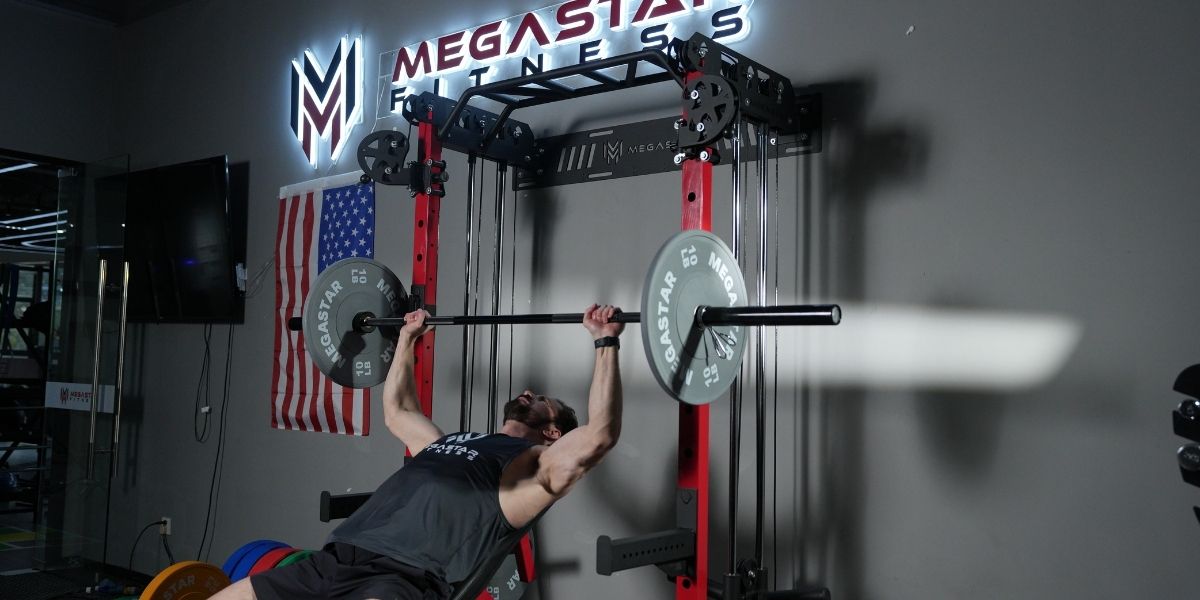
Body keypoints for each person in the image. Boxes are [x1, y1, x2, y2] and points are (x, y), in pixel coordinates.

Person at [213, 304, 626, 600]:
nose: (530, 393)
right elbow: (399, 412)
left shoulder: (534, 467)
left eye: (542, 400)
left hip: (401, 579)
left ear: (553, 431)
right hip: (339, 556)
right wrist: (407, 339)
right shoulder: (455, 441)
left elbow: (599, 436)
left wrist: (604, 342)